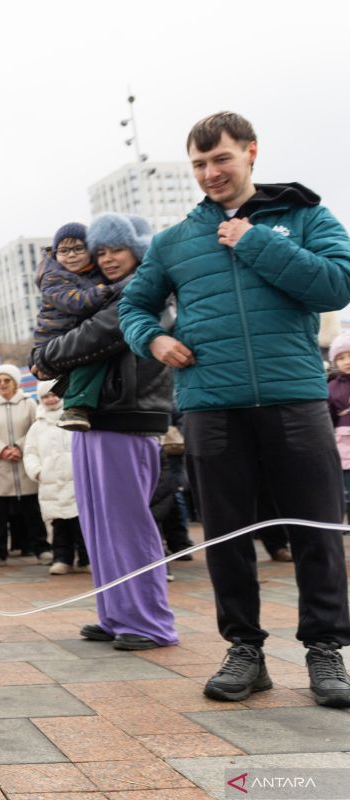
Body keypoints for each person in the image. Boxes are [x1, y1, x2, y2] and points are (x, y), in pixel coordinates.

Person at [119, 111, 350, 706]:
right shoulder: (173, 241)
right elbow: (134, 308)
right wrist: (154, 339)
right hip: (210, 404)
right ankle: (245, 649)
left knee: (316, 530)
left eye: (221, 158)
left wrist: (253, 244)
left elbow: (334, 286)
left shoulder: (305, 217)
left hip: (295, 396)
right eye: (198, 164)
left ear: (251, 152)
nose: (210, 173)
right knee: (225, 533)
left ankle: (325, 651)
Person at [34, 212, 179, 652]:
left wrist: (46, 355)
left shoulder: (147, 286)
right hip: (97, 415)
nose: (107, 258)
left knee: (128, 524)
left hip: (129, 415)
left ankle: (151, 622)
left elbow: (99, 333)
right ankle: (117, 614)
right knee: (99, 524)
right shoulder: (99, 291)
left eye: (116, 248)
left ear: (137, 248)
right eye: (100, 251)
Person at [32, 222, 133, 433]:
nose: (71, 255)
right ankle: (75, 407)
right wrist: (112, 290)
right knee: (89, 354)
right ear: (55, 252)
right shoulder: (53, 276)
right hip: (54, 337)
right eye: (64, 250)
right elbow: (77, 302)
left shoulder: (94, 274)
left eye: (78, 248)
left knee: (95, 351)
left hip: (73, 333)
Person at [0, 364, 51, 567]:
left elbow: (37, 426)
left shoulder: (28, 403)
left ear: (15, 382)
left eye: (6, 380)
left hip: (23, 465)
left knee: (32, 510)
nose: (2, 384)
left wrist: (19, 447)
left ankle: (41, 548)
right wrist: (2, 450)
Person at [22, 382, 88, 574]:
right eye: (45, 396)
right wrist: (37, 471)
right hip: (51, 483)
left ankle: (86, 558)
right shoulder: (37, 426)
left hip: (76, 480)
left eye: (54, 394)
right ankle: (62, 558)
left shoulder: (73, 416)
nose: (51, 399)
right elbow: (30, 452)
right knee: (59, 524)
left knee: (80, 523)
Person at [328, 331, 350, 523]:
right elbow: (328, 414)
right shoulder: (332, 386)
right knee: (345, 486)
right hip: (343, 440)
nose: (346, 361)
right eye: (341, 358)